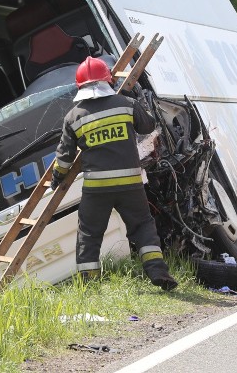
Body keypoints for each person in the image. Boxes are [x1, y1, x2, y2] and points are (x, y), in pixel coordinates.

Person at [52, 56, 178, 291]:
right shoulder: (125, 104)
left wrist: (58, 176)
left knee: (89, 234)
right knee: (142, 226)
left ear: (80, 86)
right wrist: (136, 105)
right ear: (107, 80)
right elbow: (147, 127)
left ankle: (89, 285)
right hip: (130, 184)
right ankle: (158, 271)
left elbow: (65, 157)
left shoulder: (73, 117)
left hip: (97, 189)